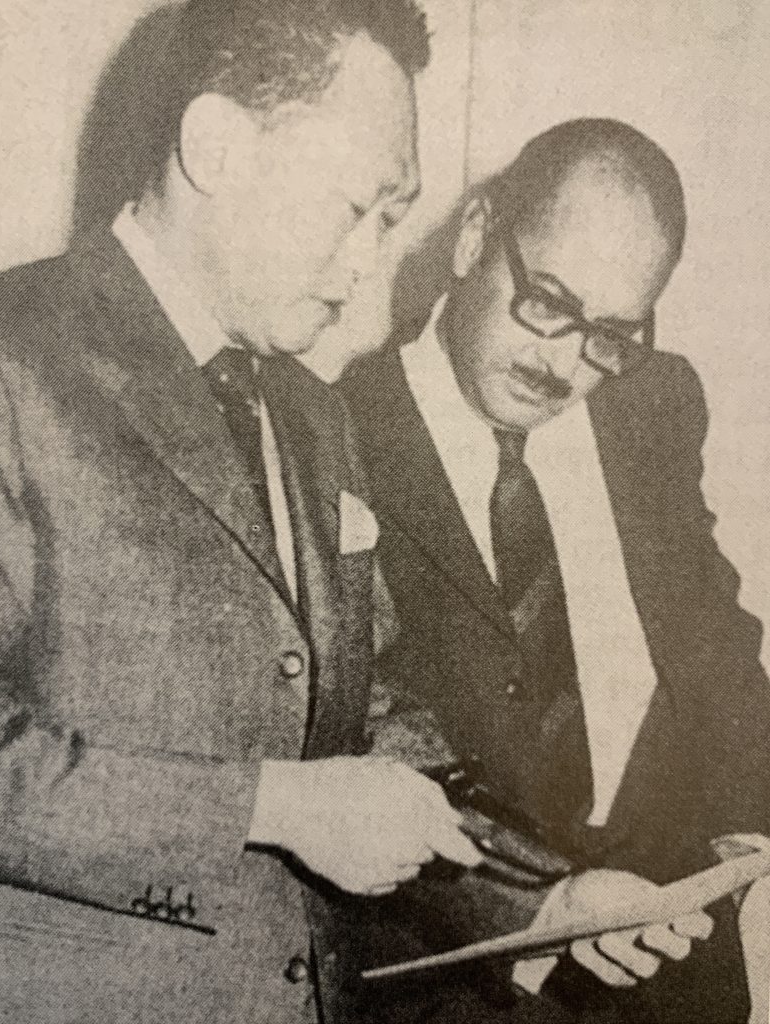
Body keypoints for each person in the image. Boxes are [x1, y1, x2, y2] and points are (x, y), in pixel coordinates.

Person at [0, 2, 489, 1021]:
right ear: (215, 145)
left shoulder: (311, 413)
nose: (369, 266)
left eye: (391, 221)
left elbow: (367, 717)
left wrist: (548, 894)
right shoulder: (12, 359)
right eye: (357, 209)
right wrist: (270, 806)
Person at [344, 118, 770, 1023]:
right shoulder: (335, 437)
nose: (566, 360)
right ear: (473, 238)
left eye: (611, 332)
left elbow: (713, 640)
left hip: (675, 971)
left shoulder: (652, 405)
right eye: (547, 301)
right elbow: (356, 738)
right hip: (458, 978)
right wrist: (538, 899)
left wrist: (750, 830)